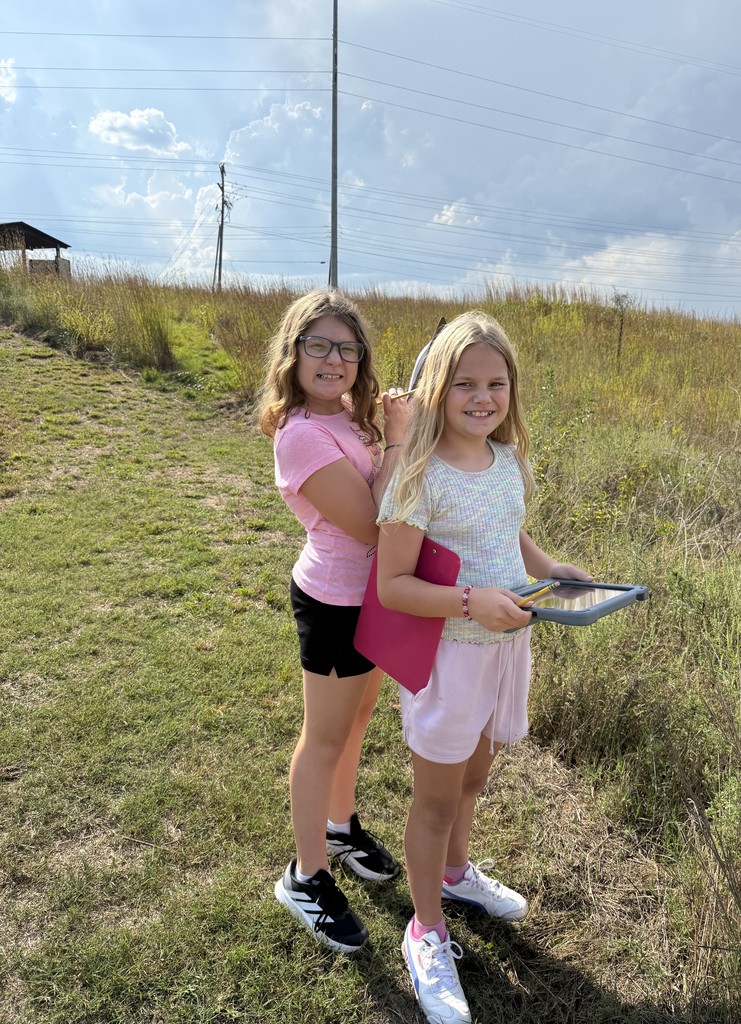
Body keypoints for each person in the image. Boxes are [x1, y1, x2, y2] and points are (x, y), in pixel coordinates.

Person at [376, 310, 592, 1023]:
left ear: (512, 390)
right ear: (436, 388)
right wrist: (471, 601)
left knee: (476, 776)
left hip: (508, 651)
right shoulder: (417, 475)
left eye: (496, 382)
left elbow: (509, 530)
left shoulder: (506, 461)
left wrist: (549, 567)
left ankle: (457, 874)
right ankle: (426, 931)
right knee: (435, 800)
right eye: (465, 382)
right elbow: (393, 587)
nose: (482, 396)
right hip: (449, 659)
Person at [258, 289, 410, 954]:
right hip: (332, 601)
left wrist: (391, 419)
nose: (334, 359)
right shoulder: (300, 436)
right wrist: (399, 442)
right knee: (322, 738)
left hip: (373, 597)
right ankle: (306, 873)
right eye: (317, 345)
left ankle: (340, 825)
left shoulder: (348, 414)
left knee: (357, 717)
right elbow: (373, 524)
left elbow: (384, 463)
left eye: (347, 348)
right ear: (292, 354)